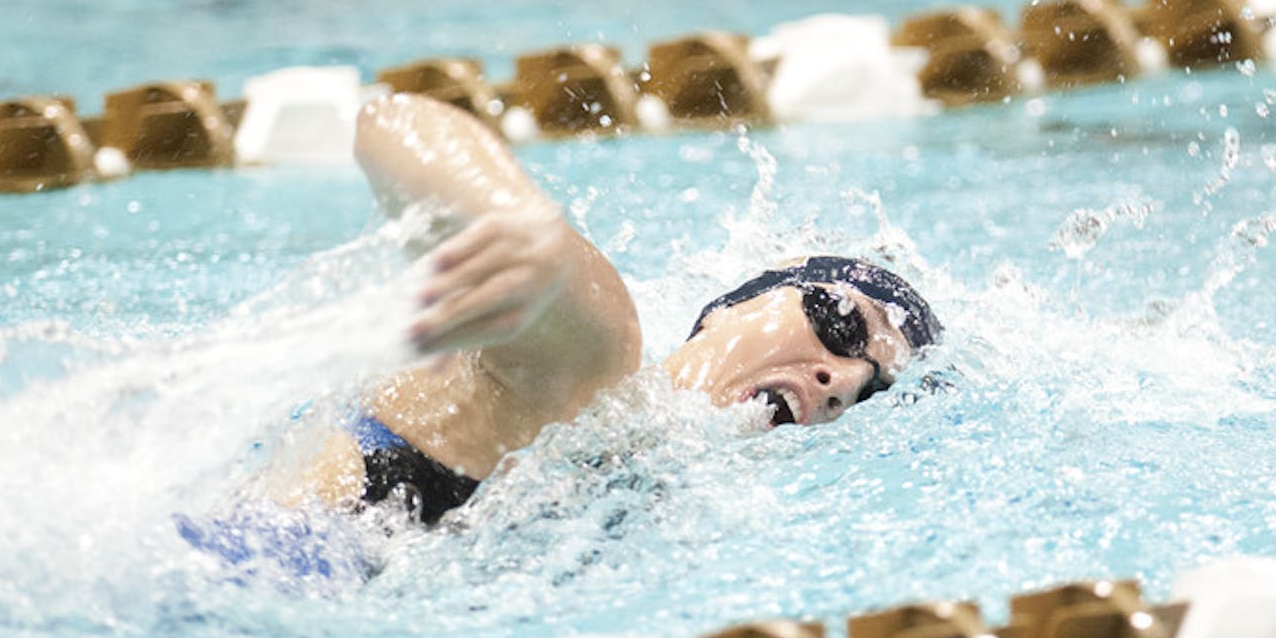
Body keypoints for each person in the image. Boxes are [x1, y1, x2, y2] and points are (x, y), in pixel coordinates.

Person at [294, 93, 941, 526]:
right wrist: (513, 221)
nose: (844, 382)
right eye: (840, 321)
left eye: (872, 394)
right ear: (735, 305)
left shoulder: (656, 503)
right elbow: (394, 121)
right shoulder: (593, 358)